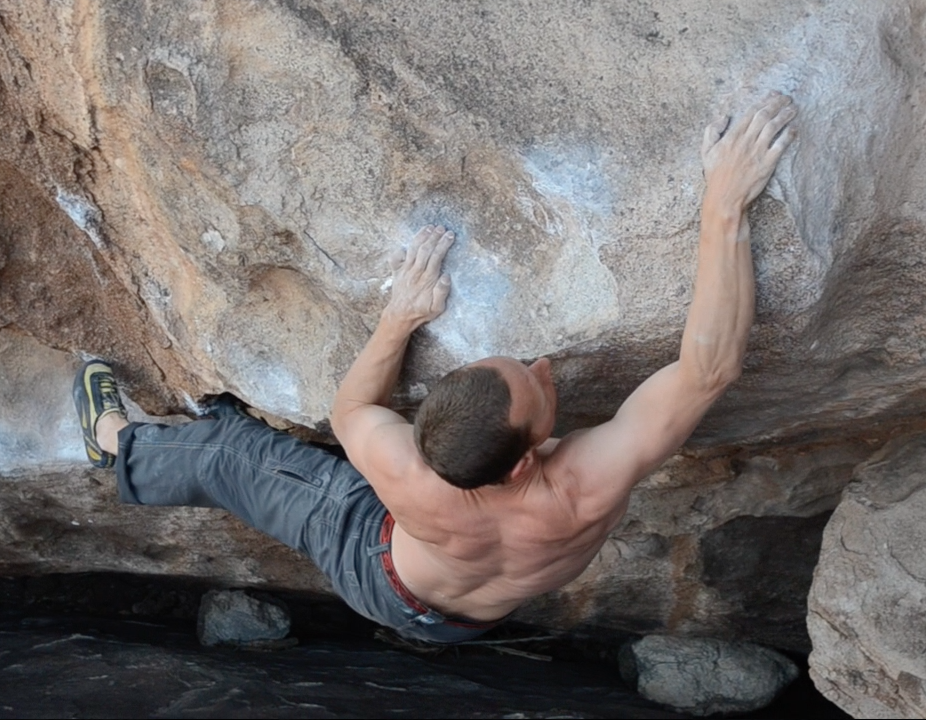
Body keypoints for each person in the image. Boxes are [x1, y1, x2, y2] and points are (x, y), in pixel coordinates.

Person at [74, 93, 797, 643]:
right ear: (518, 464)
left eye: (526, 374)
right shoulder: (586, 486)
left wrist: (400, 319)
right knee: (236, 448)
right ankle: (118, 442)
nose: (544, 368)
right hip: (457, 613)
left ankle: (128, 440)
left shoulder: (411, 476)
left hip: (382, 574)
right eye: (538, 385)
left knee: (241, 453)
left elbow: (352, 414)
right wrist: (723, 204)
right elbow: (708, 369)